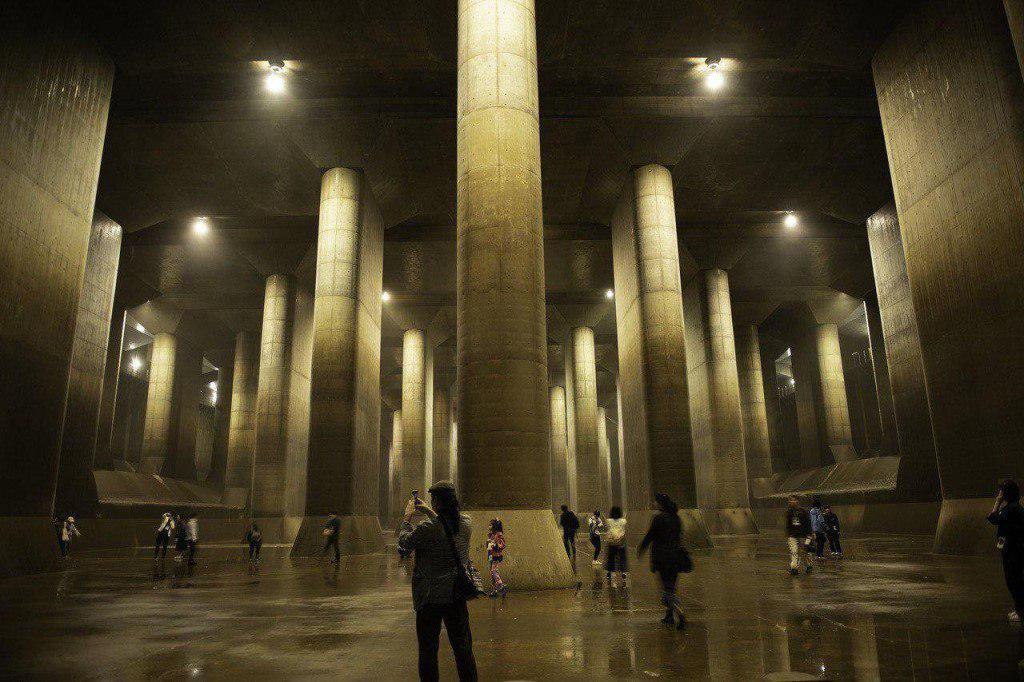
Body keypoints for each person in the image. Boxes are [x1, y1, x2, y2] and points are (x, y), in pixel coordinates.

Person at [397, 481, 478, 681]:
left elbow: (404, 545)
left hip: (429, 597)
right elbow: (446, 529)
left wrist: (407, 517)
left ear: (437, 502)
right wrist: (429, 512)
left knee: (428, 651)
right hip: (456, 594)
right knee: (463, 648)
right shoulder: (466, 523)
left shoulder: (427, 528)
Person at [638, 493, 688, 630]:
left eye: (655, 501)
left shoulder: (658, 518)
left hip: (662, 557)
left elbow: (650, 535)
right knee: (671, 587)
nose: (654, 503)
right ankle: (669, 615)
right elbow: (679, 536)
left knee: (666, 589)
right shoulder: (676, 518)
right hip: (676, 556)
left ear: (660, 504)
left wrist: (641, 548)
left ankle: (679, 612)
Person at [987, 479, 1024, 622]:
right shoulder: (1014, 508)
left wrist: (997, 502)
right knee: (1016, 579)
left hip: (1013, 551)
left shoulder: (1011, 510)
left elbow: (993, 518)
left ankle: (1020, 611)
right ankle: (1019, 609)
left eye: (1001, 491)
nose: (999, 494)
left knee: (1014, 580)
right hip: (1013, 549)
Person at [785, 496, 813, 576]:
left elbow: (808, 523)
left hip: (803, 535)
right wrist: (789, 534)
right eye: (790, 500)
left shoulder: (803, 512)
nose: (791, 502)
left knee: (806, 552)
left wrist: (809, 535)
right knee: (794, 552)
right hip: (793, 536)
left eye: (793, 500)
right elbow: (788, 525)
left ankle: (808, 565)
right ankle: (794, 568)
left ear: (797, 501)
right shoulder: (788, 512)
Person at [600, 506, 628, 587]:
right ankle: (623, 572)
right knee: (622, 558)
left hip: (611, 543)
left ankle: (609, 572)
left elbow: (606, 526)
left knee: (610, 558)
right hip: (621, 543)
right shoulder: (623, 521)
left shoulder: (609, 521)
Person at [486, 518, 508, 598]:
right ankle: (495, 590)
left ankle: (501, 585)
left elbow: (502, 544)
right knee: (492, 573)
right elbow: (489, 545)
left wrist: (495, 546)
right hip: (491, 555)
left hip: (496, 556)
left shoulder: (498, 534)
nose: (489, 526)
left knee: (494, 571)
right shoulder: (492, 534)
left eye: (491, 525)